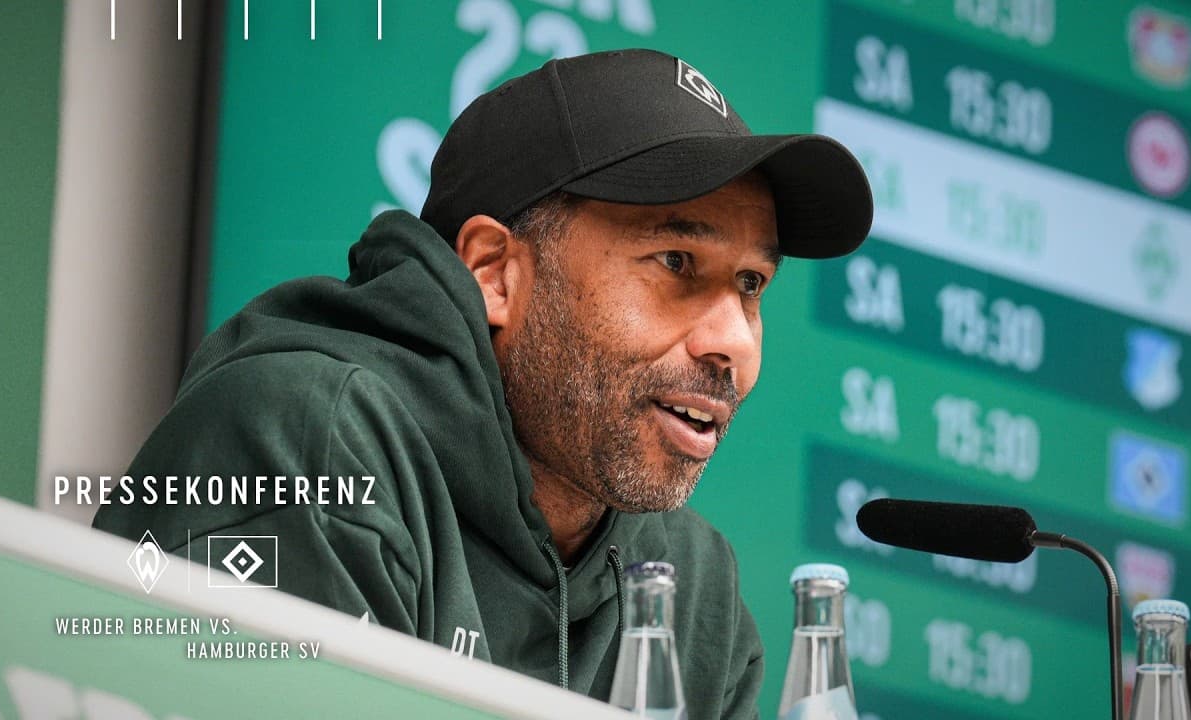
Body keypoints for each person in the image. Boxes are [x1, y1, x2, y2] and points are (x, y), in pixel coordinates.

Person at [94, 49, 871, 719]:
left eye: (750, 284)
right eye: (675, 264)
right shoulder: (308, 441)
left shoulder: (690, 590)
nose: (732, 343)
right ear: (495, 274)